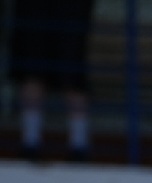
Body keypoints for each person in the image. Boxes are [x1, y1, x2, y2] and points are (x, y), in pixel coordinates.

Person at [10, 0, 94, 162]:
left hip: (72, 10)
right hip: (34, 10)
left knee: (72, 74)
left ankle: (79, 147)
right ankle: (30, 144)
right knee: (31, 71)